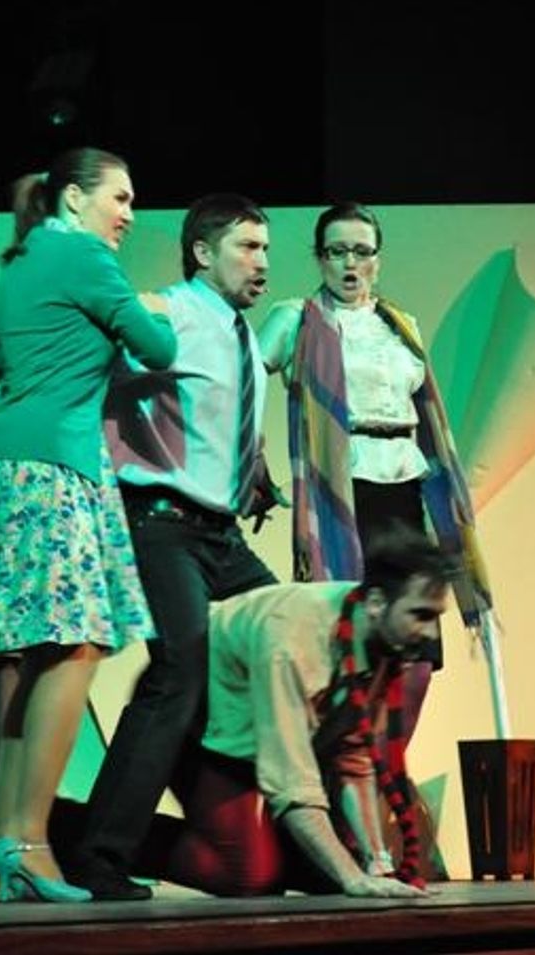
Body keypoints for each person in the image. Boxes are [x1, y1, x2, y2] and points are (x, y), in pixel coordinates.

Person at [0, 146, 176, 903]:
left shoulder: (25, 262)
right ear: (74, 199)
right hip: (55, 467)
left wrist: (46, 344)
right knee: (78, 644)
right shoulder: (85, 257)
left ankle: (1, 834)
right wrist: (139, 310)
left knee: (38, 651)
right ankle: (30, 839)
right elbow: (159, 348)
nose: (129, 214)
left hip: (5, 468)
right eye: (121, 197)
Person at [63, 192, 282, 900]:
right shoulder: (172, 311)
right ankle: (96, 853)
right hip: (162, 525)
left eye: (266, 249)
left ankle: (277, 838)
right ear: (202, 252)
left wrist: (255, 477)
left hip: (222, 535)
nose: (262, 262)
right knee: (179, 670)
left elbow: (217, 420)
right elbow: (96, 354)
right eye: (247, 247)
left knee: (284, 639)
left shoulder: (240, 334)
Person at [51, 528, 449, 899]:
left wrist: (377, 865)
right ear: (377, 603)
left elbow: (354, 758)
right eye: (421, 615)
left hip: (253, 736)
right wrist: (354, 878)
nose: (431, 633)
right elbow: (292, 782)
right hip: (203, 725)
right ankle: (63, 828)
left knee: (326, 874)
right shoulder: (293, 641)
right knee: (249, 875)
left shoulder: (376, 634)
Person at [256, 202, 494, 738]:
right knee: (353, 639)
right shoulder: (297, 318)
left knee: (416, 650)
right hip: (345, 493)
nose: (350, 263)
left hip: (405, 487)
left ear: (377, 261)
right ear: (320, 257)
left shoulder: (401, 326)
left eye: (361, 252)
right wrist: (252, 455)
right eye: (337, 251)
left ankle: (388, 765)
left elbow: (424, 407)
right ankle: (345, 762)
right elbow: (242, 377)